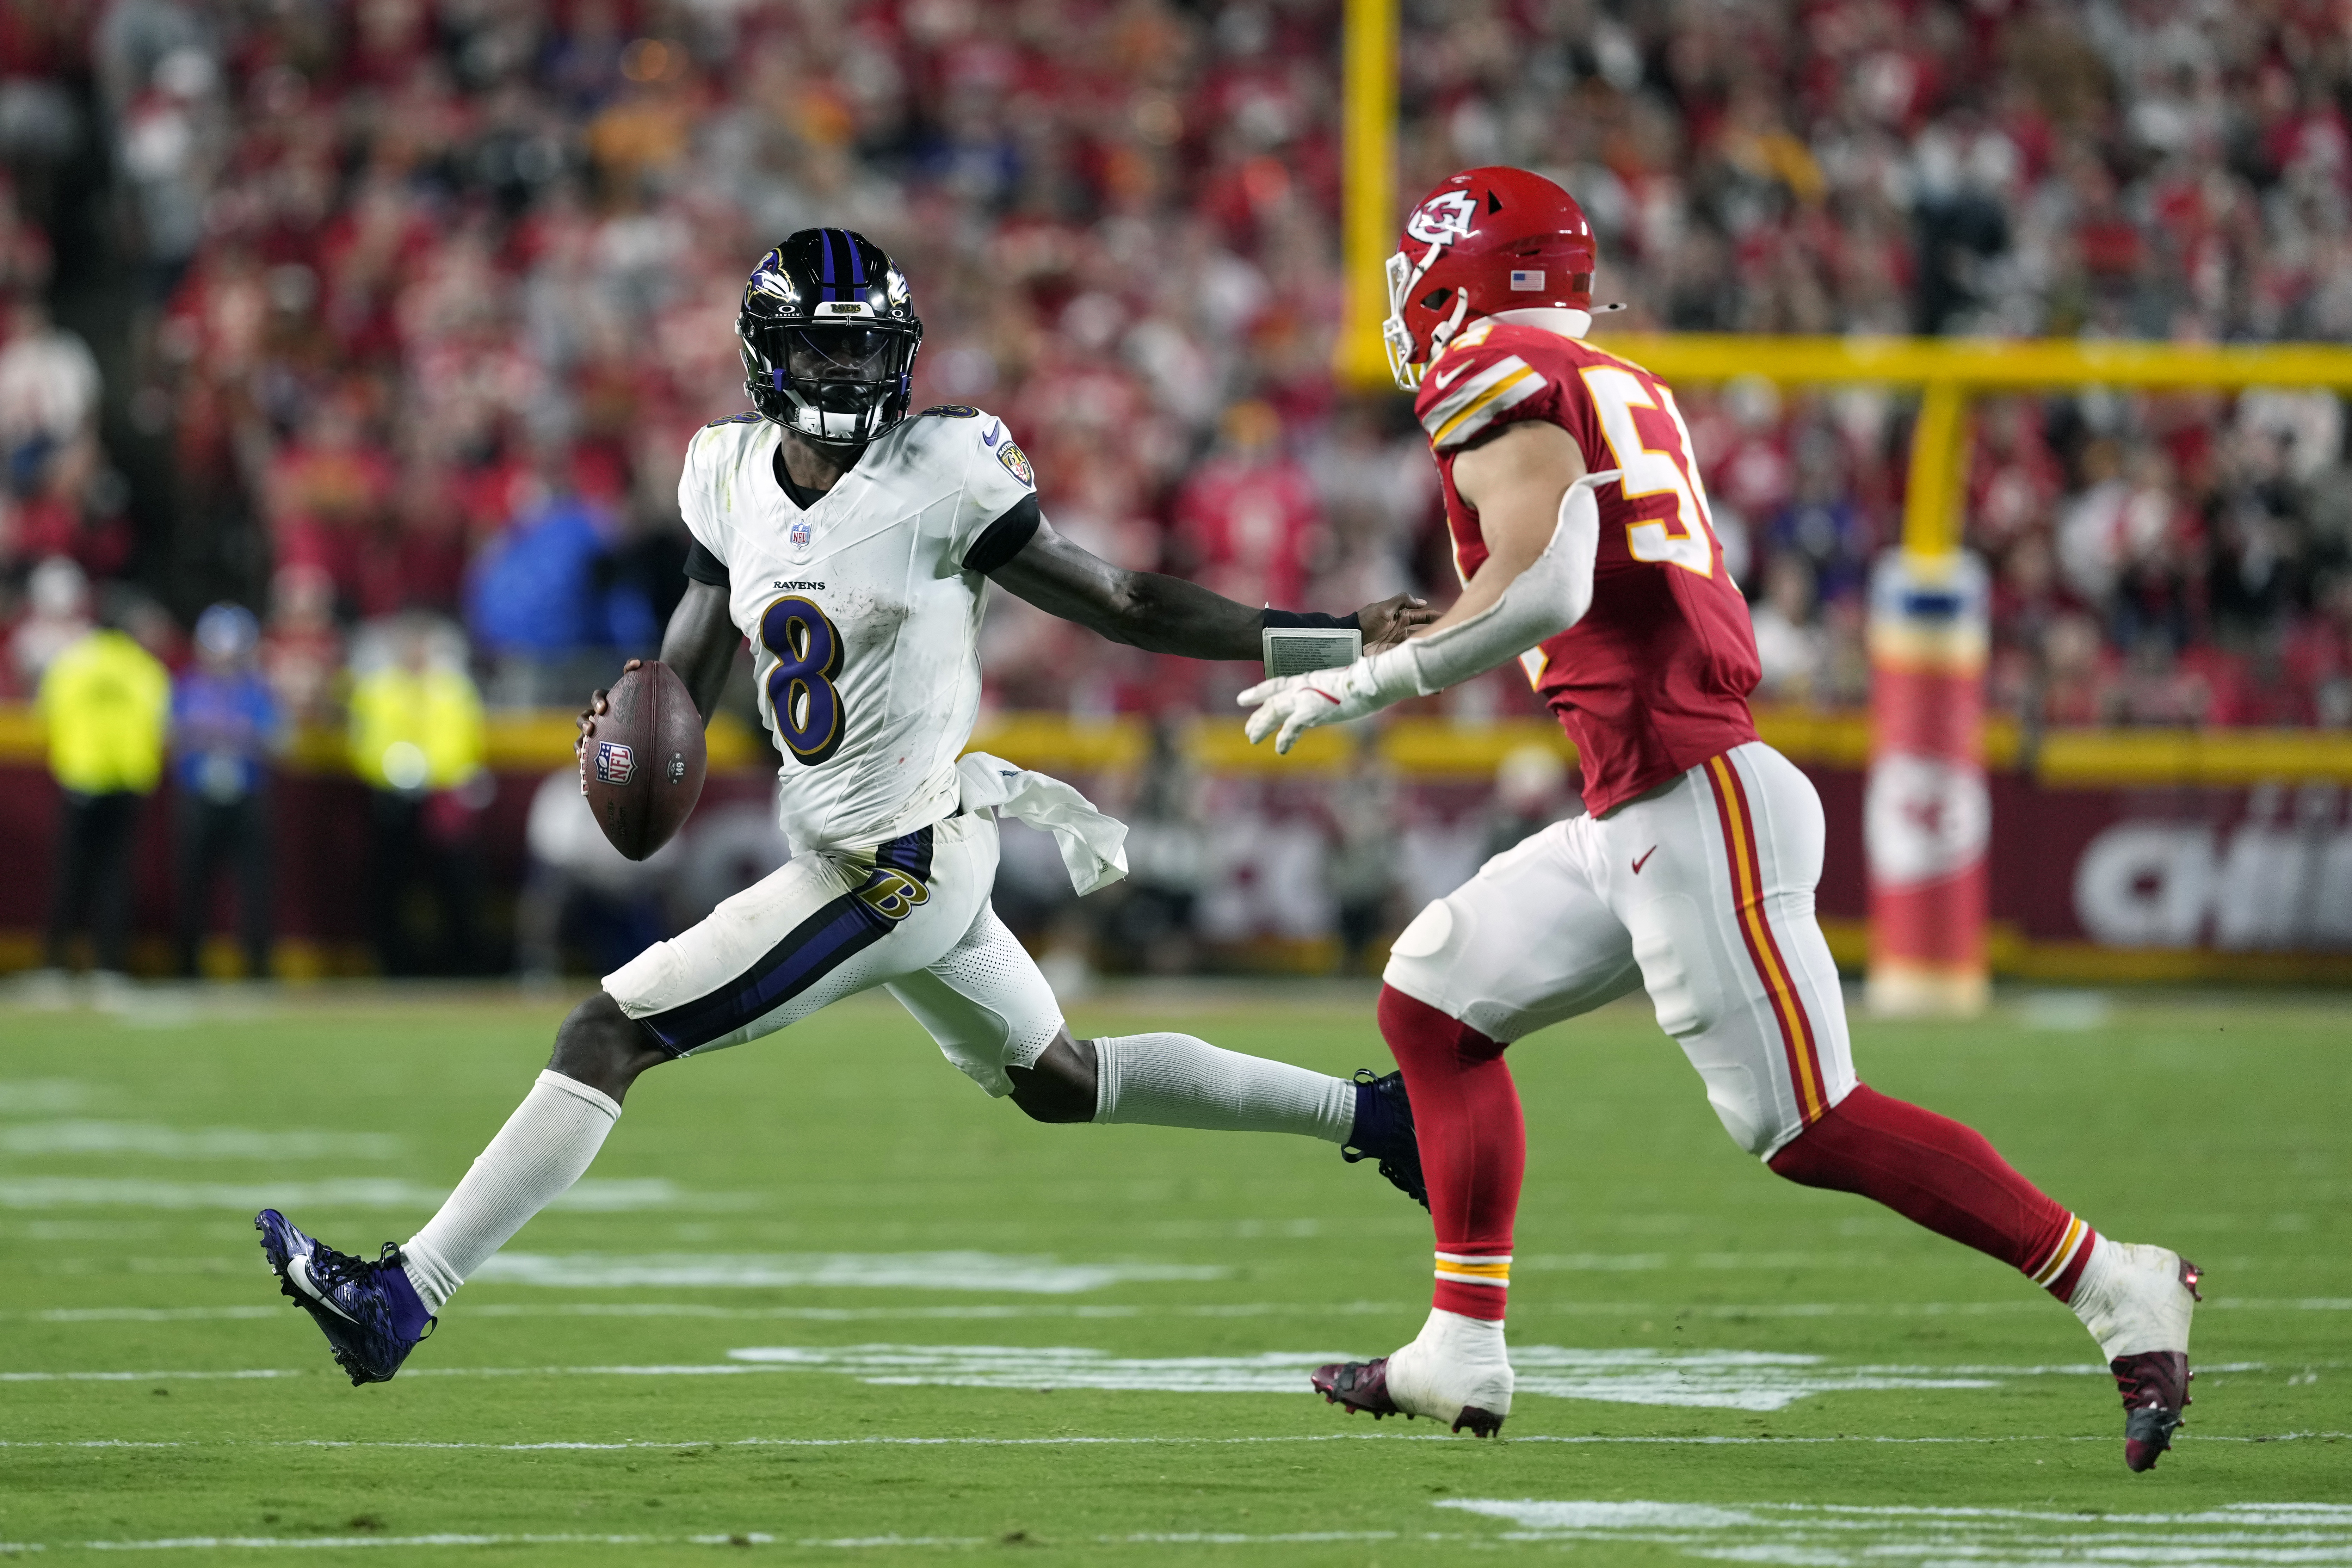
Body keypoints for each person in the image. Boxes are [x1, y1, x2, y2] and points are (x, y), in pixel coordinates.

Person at [255, 229, 1433, 1386]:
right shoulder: (722, 472)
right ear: (768, 354)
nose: (848, 375)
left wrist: (1325, 636)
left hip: (893, 861)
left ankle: (403, 1296)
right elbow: (695, 652)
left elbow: (1120, 599)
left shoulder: (946, 471)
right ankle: (1377, 1121)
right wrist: (639, 723)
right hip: (880, 845)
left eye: (868, 351)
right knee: (1058, 1081)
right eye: (823, 351)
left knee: (607, 1034)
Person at [1238, 168, 2199, 1473]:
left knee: (1802, 1124)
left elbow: (1547, 582)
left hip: (1689, 788)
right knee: (1431, 998)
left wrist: (1370, 682)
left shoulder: (1496, 367)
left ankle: (2108, 1279)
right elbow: (1562, 576)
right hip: (1639, 794)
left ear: (1458, 276)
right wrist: (1433, 623)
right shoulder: (1602, 375)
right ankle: (1459, 1343)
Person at [346, 615, 489, 976]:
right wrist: (393, 767)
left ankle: (461, 962)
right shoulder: (376, 689)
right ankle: (393, 963)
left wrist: (429, 768)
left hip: (442, 800)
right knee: (391, 885)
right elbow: (363, 743)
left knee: (454, 884)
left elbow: (466, 743)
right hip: (392, 799)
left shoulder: (452, 688)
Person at [37, 600, 171, 980]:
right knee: (115, 878)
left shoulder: (72, 662)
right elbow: (159, 721)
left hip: (81, 776)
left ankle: (56, 964)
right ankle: (109, 965)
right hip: (127, 780)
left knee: (70, 875)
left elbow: (49, 711)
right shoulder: (144, 667)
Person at [170, 603, 284, 979]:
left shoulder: (257, 689)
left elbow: (278, 739)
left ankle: (258, 965)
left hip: (246, 793)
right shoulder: (188, 685)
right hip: (199, 793)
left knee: (255, 884)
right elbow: (175, 733)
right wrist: (231, 733)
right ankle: (187, 964)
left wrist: (221, 734)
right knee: (192, 883)